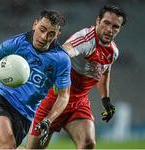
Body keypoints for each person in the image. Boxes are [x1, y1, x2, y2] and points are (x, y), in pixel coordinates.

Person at [26, 5, 127, 149]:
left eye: (115, 26)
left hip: (78, 104)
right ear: (98, 20)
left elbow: (104, 72)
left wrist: (106, 100)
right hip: (53, 102)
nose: (109, 29)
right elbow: (64, 53)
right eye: (106, 23)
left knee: (88, 143)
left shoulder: (113, 51)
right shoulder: (85, 39)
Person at [0, 10, 71, 149]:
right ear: (35, 25)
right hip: (2, 100)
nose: (43, 37)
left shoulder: (61, 59)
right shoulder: (19, 42)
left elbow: (63, 96)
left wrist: (48, 120)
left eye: (51, 34)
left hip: (25, 116)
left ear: (57, 35)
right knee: (7, 145)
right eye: (42, 29)